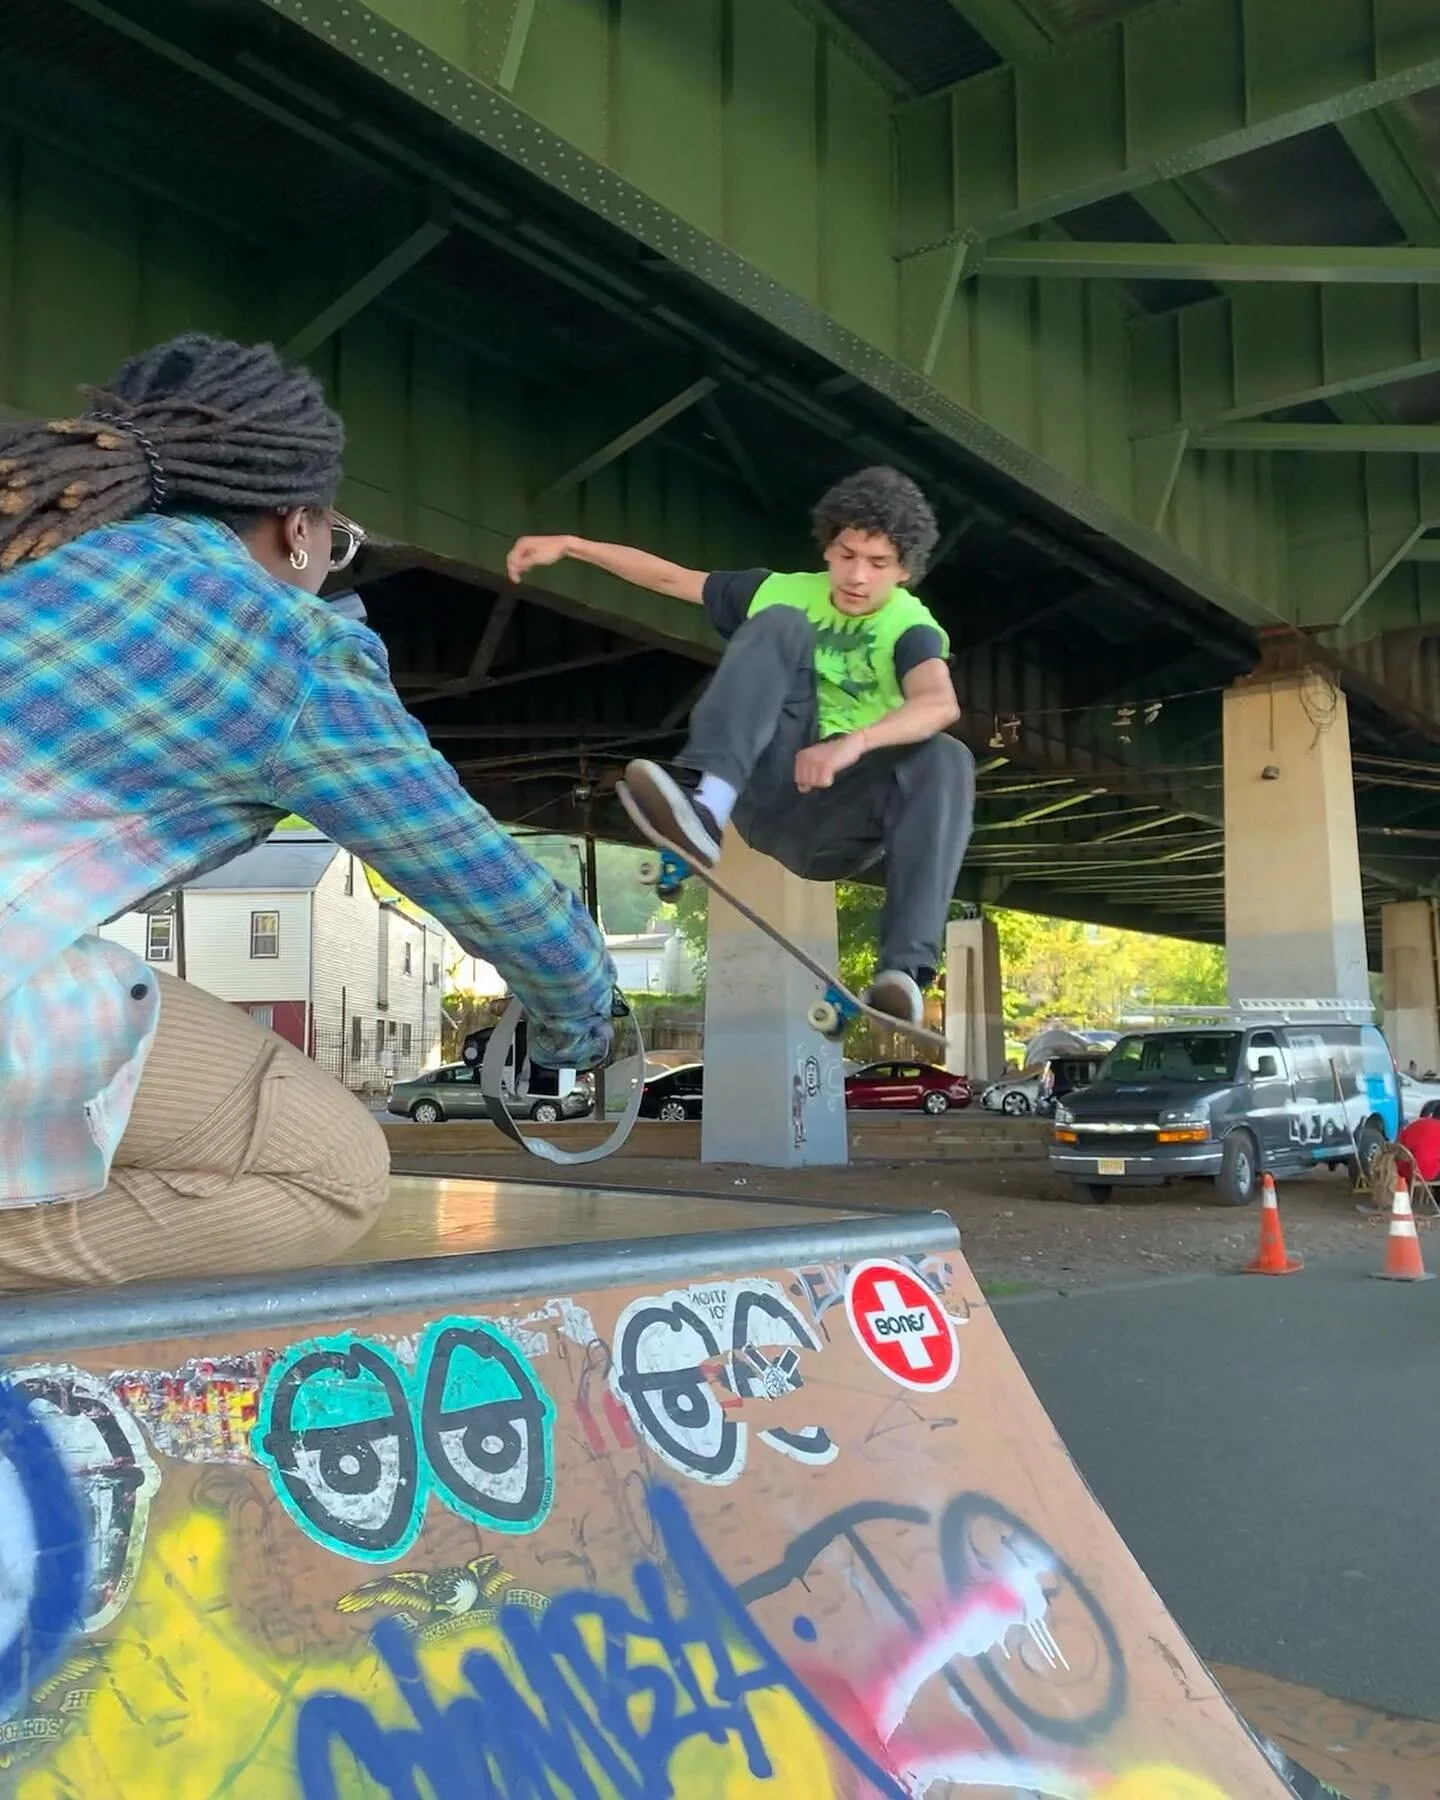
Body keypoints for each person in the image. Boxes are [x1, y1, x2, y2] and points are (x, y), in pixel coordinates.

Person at [0, 334, 616, 1290]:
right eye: (342, 542)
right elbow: (485, 882)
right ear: (300, 526)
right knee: (325, 1169)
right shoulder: (286, 645)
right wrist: (579, 1021)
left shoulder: (27, 564)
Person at [507, 466, 972, 1025]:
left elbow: (938, 702)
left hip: (840, 820)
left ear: (902, 571)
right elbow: (670, 580)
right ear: (828, 546)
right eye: (847, 555)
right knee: (779, 623)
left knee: (947, 756)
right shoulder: (779, 591)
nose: (856, 577)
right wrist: (574, 545)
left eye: (878, 565)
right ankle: (709, 808)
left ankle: (905, 970)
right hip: (767, 788)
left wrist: (854, 744)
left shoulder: (909, 626)